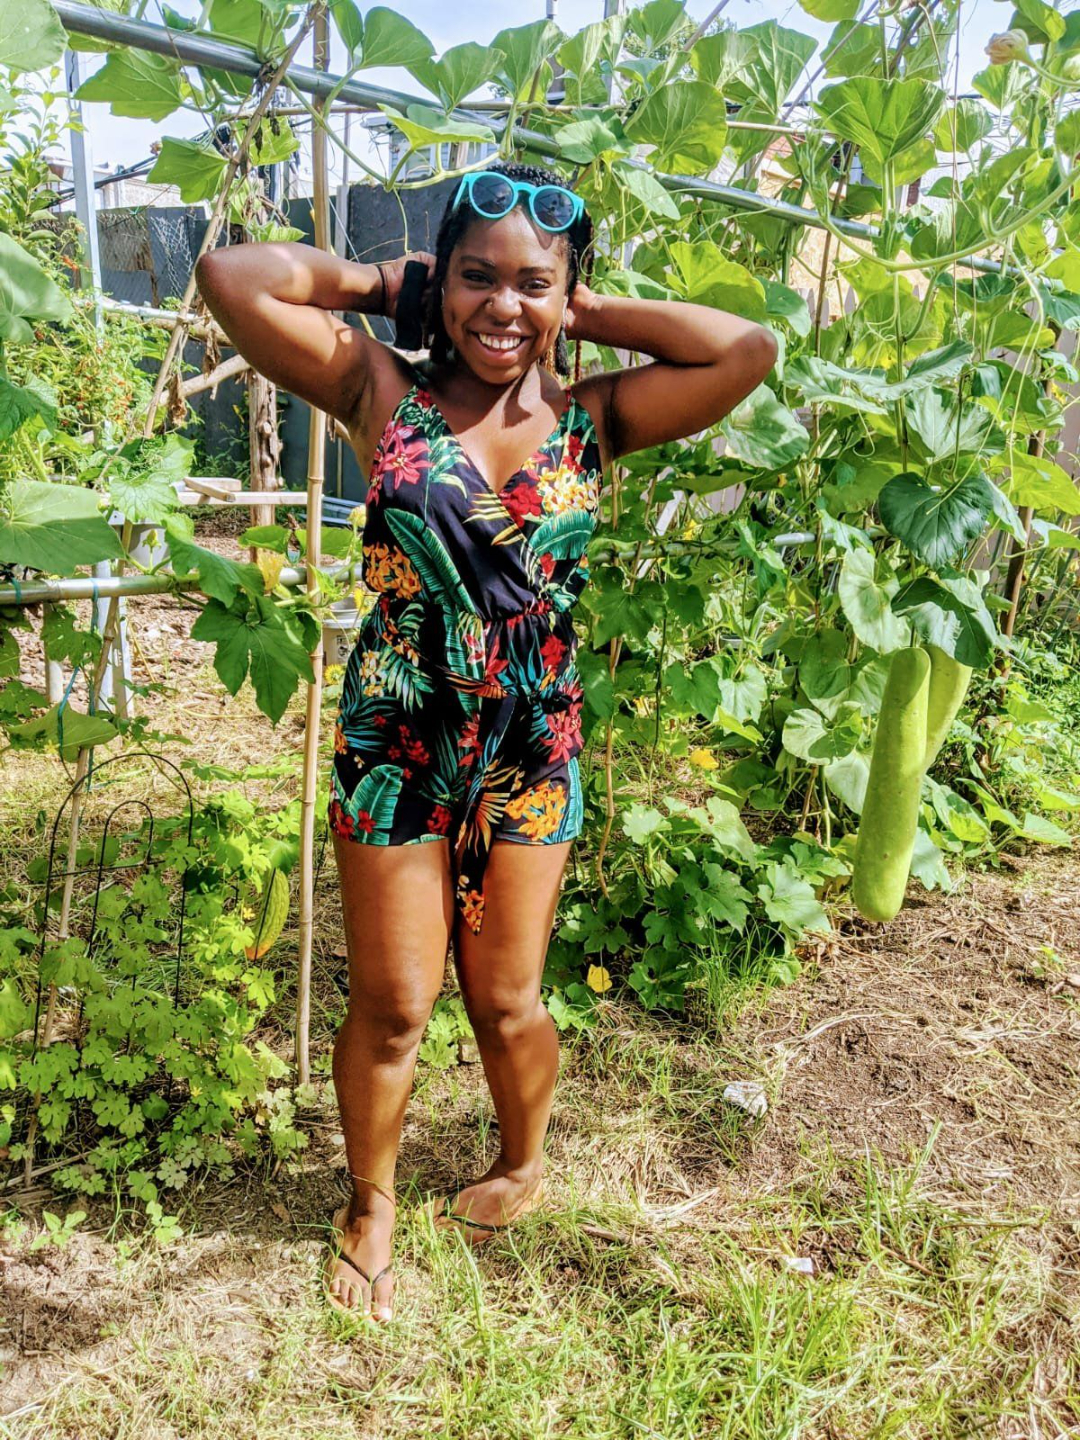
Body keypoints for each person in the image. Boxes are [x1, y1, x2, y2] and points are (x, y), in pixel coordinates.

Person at [196, 161, 777, 1322]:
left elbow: (745, 349)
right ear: (441, 282)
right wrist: (391, 284)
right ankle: (371, 1205)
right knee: (395, 1006)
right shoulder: (379, 391)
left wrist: (580, 306)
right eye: (477, 278)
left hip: (529, 747)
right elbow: (232, 275)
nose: (501, 306)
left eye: (531, 284)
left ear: (565, 295)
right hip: (396, 740)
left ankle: (521, 1165)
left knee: (508, 1000)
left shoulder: (595, 420)